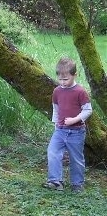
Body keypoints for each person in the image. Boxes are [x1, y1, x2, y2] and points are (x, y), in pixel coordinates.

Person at [43, 58, 92, 192]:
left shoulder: (80, 92)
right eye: (60, 80)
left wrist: (75, 119)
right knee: (52, 152)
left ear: (75, 75)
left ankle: (77, 184)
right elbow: (56, 110)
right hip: (60, 131)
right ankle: (55, 181)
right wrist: (56, 126)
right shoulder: (57, 91)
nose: (63, 83)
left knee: (76, 158)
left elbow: (88, 110)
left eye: (66, 79)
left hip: (76, 132)